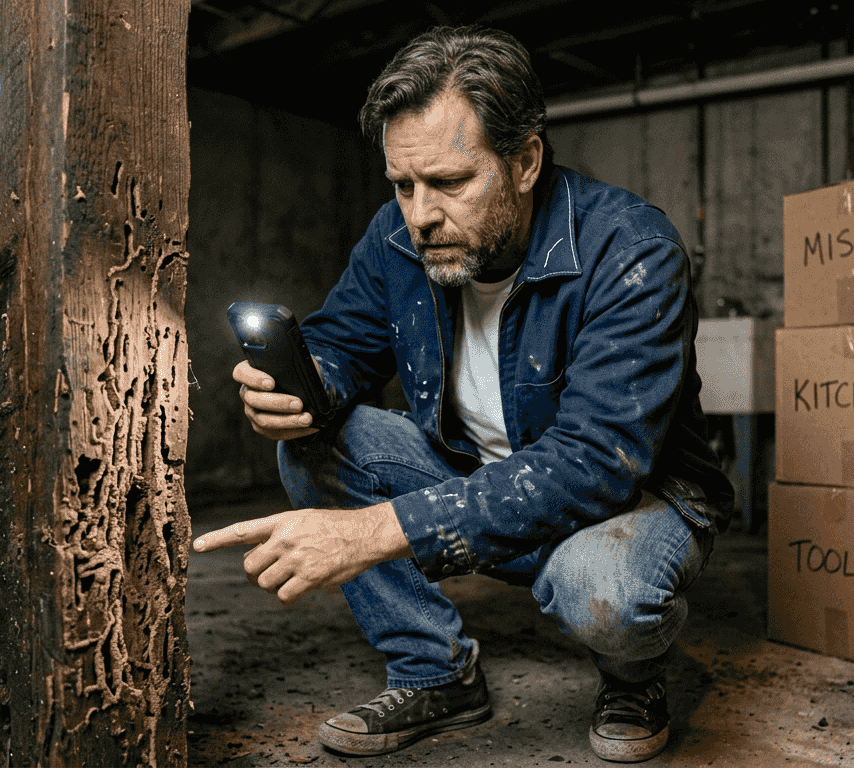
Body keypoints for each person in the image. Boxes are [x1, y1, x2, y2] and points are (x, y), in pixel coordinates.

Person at [193, 25, 734, 764]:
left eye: (449, 182)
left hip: (631, 492)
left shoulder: (630, 250)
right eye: (402, 184)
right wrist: (302, 386)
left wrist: (377, 530)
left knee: (606, 591)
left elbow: (595, 463)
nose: (419, 214)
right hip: (481, 470)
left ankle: (632, 677)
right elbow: (343, 343)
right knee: (315, 449)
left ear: (525, 161)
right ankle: (435, 673)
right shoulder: (397, 237)